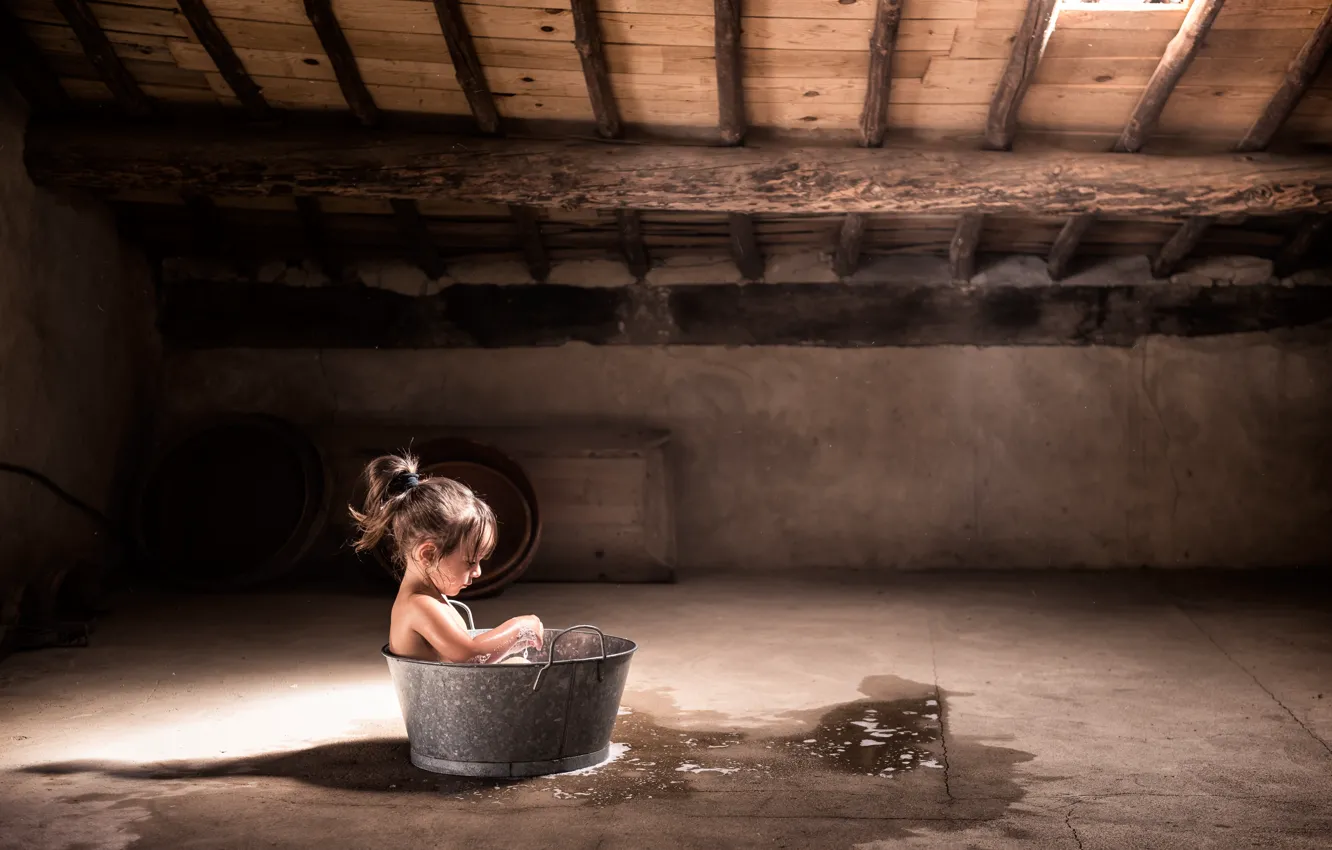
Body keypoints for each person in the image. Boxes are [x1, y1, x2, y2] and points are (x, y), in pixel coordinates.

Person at [350, 452, 543, 664]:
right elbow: (470, 654)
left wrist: (509, 645)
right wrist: (519, 627)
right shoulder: (420, 605)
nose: (478, 571)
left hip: (446, 685)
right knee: (521, 667)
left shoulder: (431, 599)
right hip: (430, 687)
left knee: (519, 664)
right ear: (428, 554)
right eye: (470, 562)